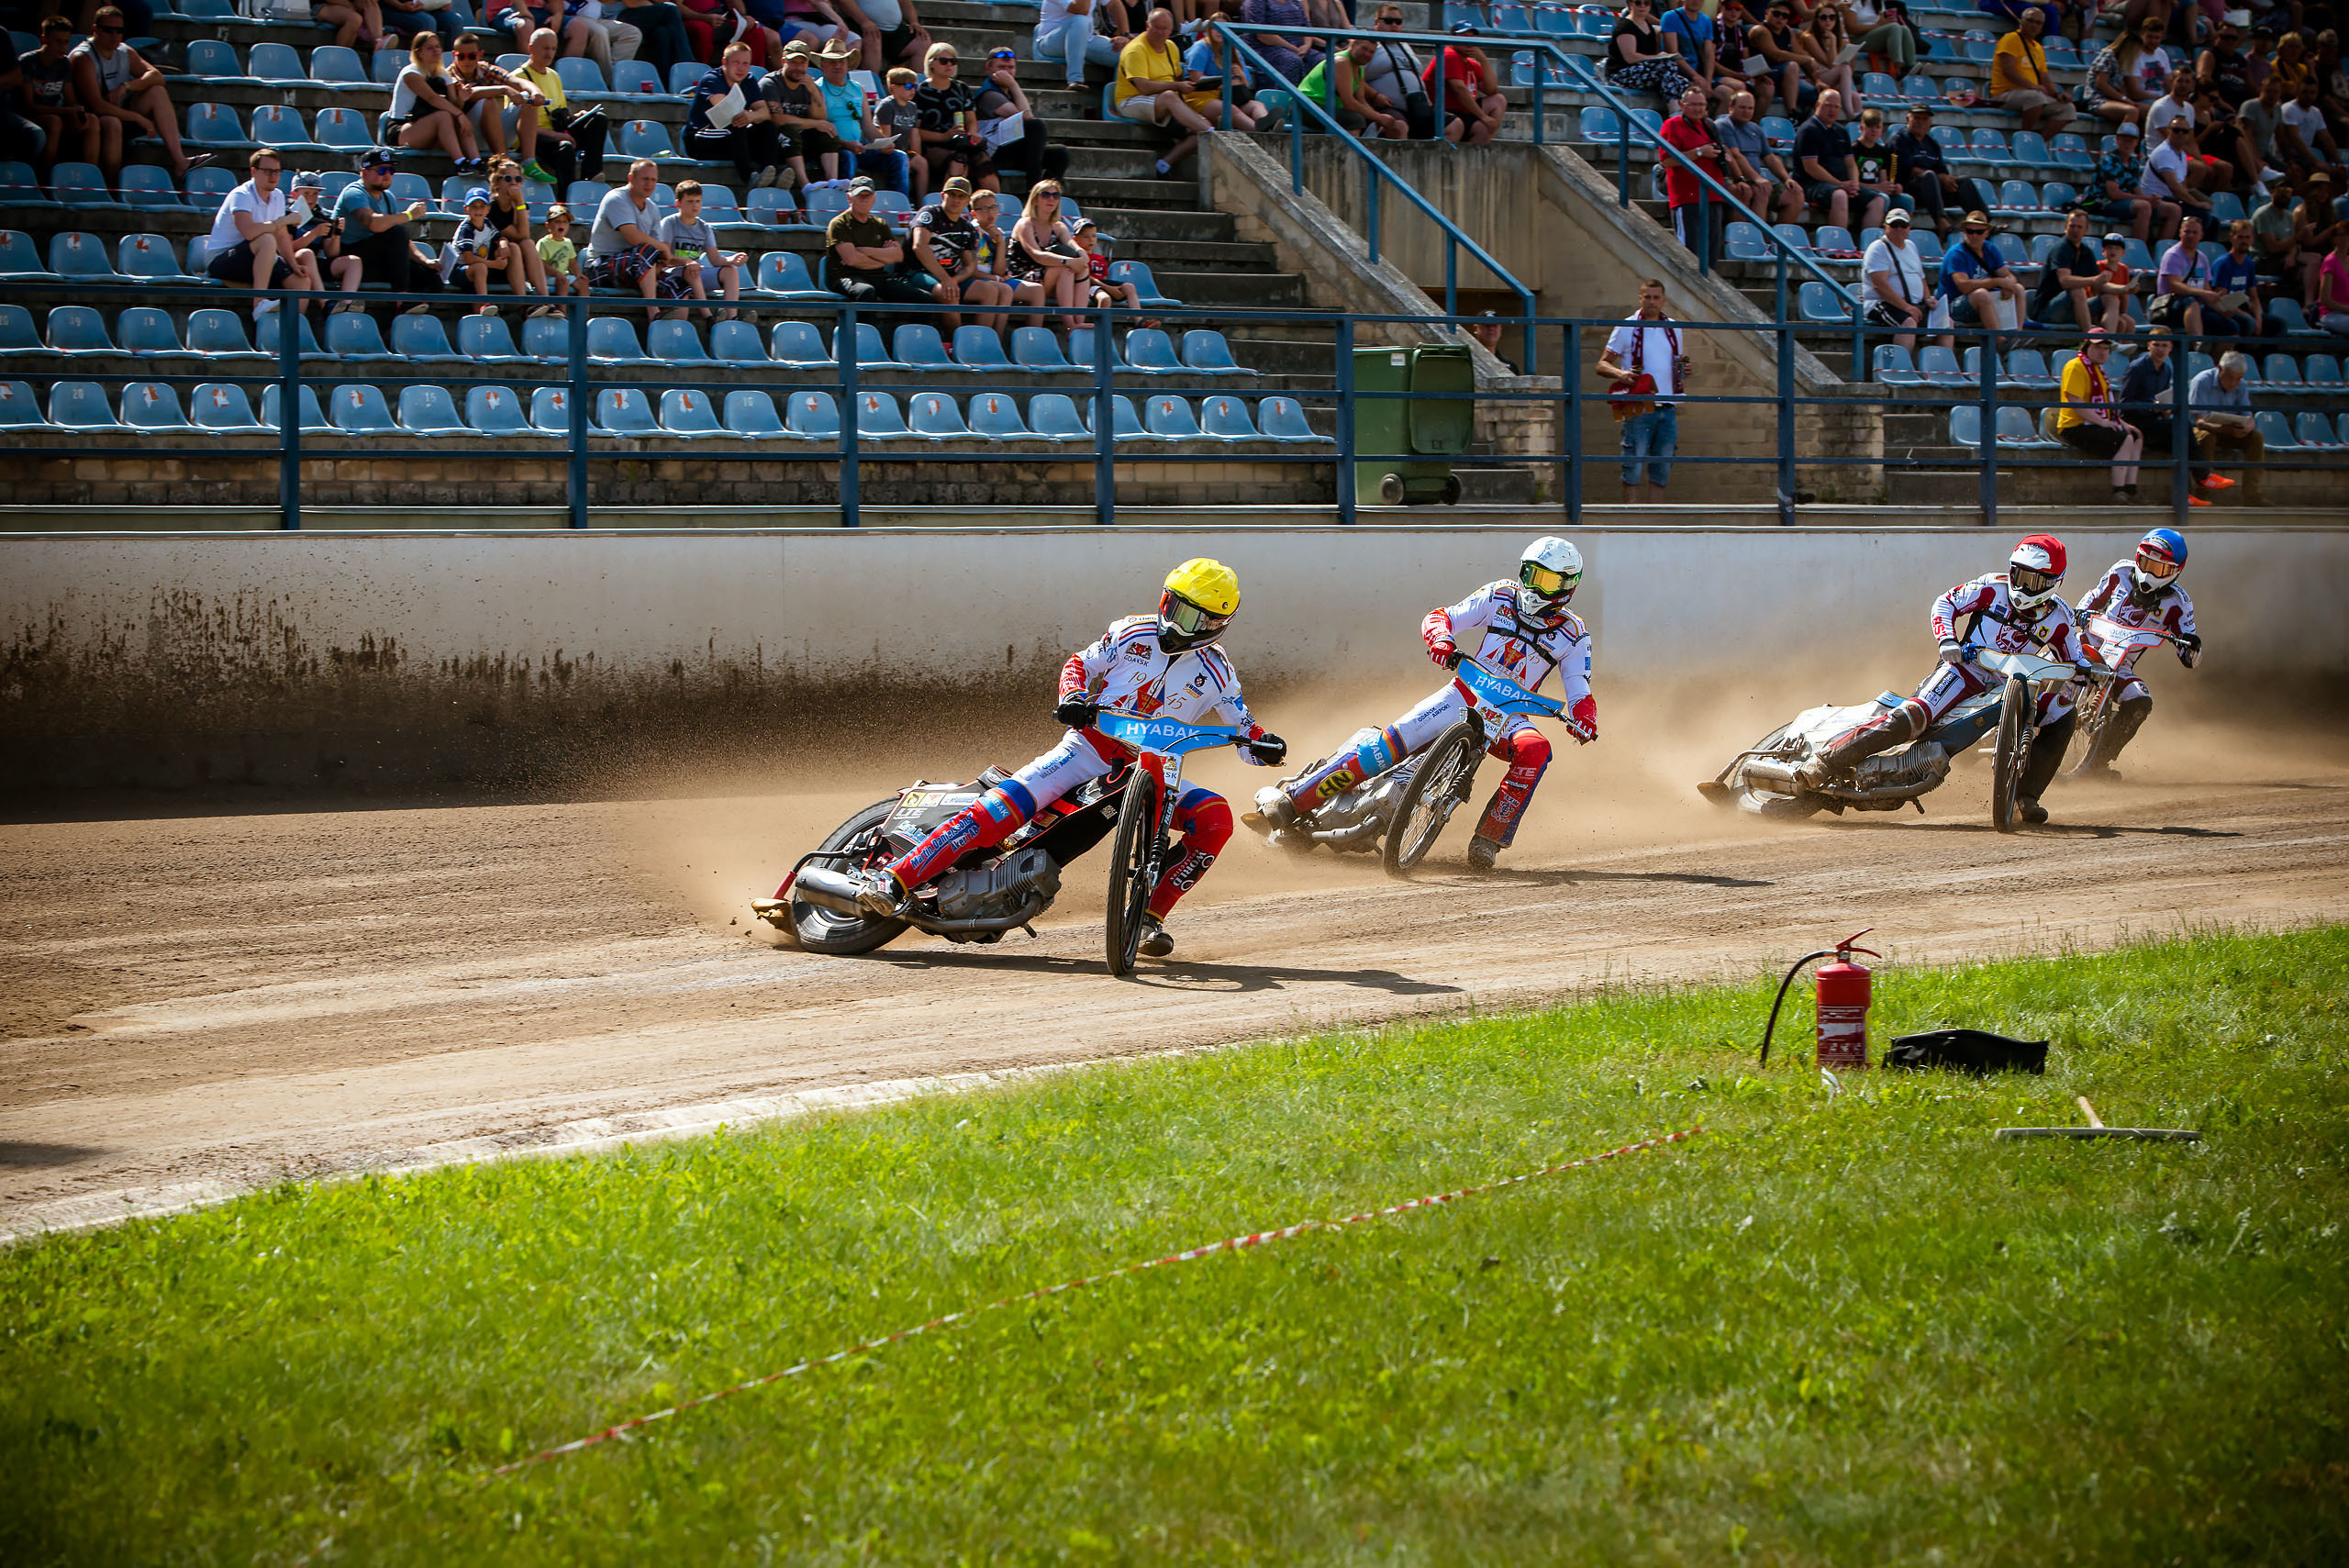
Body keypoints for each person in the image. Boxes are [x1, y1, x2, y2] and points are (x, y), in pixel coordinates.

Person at [844, 560, 1286, 960]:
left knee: (1216, 821)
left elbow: (1244, 727)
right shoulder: (1133, 631)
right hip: (1086, 749)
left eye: (1186, 613)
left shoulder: (1219, 672)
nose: (1169, 616)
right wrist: (1072, 696)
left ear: (1213, 624)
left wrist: (1264, 744)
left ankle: (1150, 917)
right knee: (1000, 810)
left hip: (1155, 769)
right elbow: (1080, 663)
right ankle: (894, 879)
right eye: (1169, 602)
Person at [1253, 539, 1596, 875]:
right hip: (1462, 694)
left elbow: (1579, 687)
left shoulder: (1575, 634)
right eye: (1530, 574)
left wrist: (1584, 718)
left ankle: (1488, 839)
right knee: (1386, 745)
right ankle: (1293, 802)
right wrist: (1441, 640)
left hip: (1510, 716)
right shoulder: (1500, 594)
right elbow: (1444, 616)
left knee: (1536, 750)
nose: (1533, 587)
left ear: (1567, 586)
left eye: (1547, 580)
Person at [1797, 535, 2084, 825]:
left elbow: (2075, 658)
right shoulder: (1991, 588)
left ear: (2054, 583)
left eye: (2033, 581)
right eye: (2018, 575)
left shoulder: (2060, 617)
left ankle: (2027, 796)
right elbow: (1946, 602)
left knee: (2062, 711)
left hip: (2014, 687)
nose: (2022, 586)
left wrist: (2087, 671)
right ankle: (1824, 762)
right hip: (1964, 672)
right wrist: (1948, 639)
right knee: (1913, 716)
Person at [2073, 528, 2201, 775]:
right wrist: (2081, 610)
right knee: (2048, 663)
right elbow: (2094, 597)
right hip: (2083, 648)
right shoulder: (2120, 571)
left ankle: (2099, 761)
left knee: (2140, 702)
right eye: (2145, 563)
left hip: (2119, 667)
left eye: (2159, 568)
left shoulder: (2178, 602)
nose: (2149, 572)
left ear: (2175, 571)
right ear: (2137, 557)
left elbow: (2188, 649)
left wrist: (2191, 646)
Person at [69, 6, 203, 183]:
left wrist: (127, 86)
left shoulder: (124, 51)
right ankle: (112, 184)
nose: (115, 35)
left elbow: (157, 77)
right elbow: (96, 105)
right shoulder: (83, 57)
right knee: (112, 122)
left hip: (121, 110)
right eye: (109, 30)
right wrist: (138, 118)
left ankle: (180, 161)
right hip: (90, 118)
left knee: (157, 91)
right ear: (95, 30)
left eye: (120, 31)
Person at [204, 147, 325, 318]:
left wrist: (293, 264)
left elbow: (282, 235)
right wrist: (282, 221)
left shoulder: (277, 196)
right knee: (267, 240)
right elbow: (249, 232)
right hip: (222, 261)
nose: (273, 176)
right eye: (268, 171)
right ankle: (259, 303)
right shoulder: (241, 194)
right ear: (254, 171)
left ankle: (296, 332)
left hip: (257, 259)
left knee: (302, 281)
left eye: (277, 171)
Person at [1595, 278, 1687, 505]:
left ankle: (1654, 521)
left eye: (1656, 297)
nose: (1652, 302)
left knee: (1662, 469)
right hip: (1638, 405)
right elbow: (1602, 364)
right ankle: (1631, 521)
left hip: (1667, 406)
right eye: (1647, 297)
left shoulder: (1673, 328)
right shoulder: (1627, 326)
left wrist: (1685, 370)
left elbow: (1676, 366)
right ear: (1640, 298)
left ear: (1663, 300)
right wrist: (1620, 374)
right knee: (1632, 467)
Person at [1114, 6, 1216, 177]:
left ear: (1171, 30)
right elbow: (1143, 87)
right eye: (1156, 27)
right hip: (1131, 99)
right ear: (1147, 25)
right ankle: (1214, 135)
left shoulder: (1171, 47)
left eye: (1164, 29)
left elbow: (1176, 78)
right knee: (1171, 97)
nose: (1160, 32)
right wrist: (1176, 87)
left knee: (1197, 127)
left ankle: (1164, 164)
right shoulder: (1135, 49)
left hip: (1166, 100)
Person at [332, 145, 437, 306]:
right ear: (365, 172)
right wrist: (408, 215)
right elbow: (375, 224)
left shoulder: (388, 197)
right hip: (351, 258)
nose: (387, 175)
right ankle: (401, 301)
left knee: (430, 276)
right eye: (381, 171)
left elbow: (403, 241)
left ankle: (410, 320)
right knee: (397, 232)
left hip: (376, 258)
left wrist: (425, 261)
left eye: (391, 171)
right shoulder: (354, 193)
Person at [824, 172, 936, 316]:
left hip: (879, 276)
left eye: (868, 195)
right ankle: (865, 335)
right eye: (860, 196)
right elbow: (852, 259)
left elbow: (898, 256)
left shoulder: (880, 224)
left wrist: (866, 251)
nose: (864, 200)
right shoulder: (839, 224)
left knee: (923, 298)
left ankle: (913, 334)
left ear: (874, 198)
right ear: (849, 197)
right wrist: (882, 258)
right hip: (846, 276)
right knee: (866, 292)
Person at [586, 157, 692, 304]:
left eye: (653, 180)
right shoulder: (616, 199)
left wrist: (684, 261)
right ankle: (653, 311)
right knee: (645, 251)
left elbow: (661, 254)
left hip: (638, 267)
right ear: (631, 178)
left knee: (678, 286)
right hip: (600, 266)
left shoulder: (653, 208)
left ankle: (671, 326)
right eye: (645, 179)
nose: (649, 184)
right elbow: (634, 238)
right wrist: (661, 248)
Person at [2056, 331, 2145, 501]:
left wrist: (2120, 422)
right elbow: (2075, 402)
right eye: (2098, 347)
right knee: (2124, 438)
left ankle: (2131, 488)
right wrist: (2103, 423)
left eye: (2106, 348)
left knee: (2136, 435)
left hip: (2093, 424)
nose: (2103, 352)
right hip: (2074, 427)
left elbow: (2106, 406)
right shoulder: (2076, 366)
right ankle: (2118, 490)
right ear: (2087, 346)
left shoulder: (2097, 370)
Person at [907, 174, 1002, 332]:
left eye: (961, 196)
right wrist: (947, 280)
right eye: (952, 194)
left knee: (990, 291)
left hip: (951, 277)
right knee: (949, 293)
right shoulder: (930, 214)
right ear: (943, 195)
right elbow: (919, 246)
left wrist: (954, 279)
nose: (956, 199)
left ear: (967, 201)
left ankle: (978, 341)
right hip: (918, 273)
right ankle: (957, 344)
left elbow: (970, 265)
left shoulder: (966, 227)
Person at [514, 27, 607, 186]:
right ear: (531, 48)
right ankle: (567, 194)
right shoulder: (518, 77)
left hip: (557, 132)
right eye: (545, 48)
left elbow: (560, 110)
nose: (550, 53)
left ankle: (590, 176)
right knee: (565, 148)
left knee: (598, 119)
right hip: (533, 137)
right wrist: (557, 136)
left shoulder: (553, 75)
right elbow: (516, 125)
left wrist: (576, 117)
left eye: (553, 49)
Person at [815, 37, 910, 192]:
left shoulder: (858, 89)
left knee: (899, 157)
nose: (838, 65)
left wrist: (885, 142)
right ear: (823, 65)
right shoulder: (817, 89)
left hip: (860, 147)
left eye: (841, 61)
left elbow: (867, 126)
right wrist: (846, 144)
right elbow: (820, 130)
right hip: (834, 150)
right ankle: (846, 204)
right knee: (848, 156)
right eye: (832, 61)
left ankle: (900, 206)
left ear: (847, 64)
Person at [686, 39, 785, 187]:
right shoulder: (711, 80)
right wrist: (750, 115)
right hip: (703, 138)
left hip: (729, 138)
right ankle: (750, 178)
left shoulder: (749, 80)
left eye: (745, 64)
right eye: (736, 63)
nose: (741, 68)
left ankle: (771, 175)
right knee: (737, 123)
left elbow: (764, 113)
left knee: (767, 126)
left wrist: (751, 116)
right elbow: (728, 109)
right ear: (724, 62)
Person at [449, 33, 546, 172]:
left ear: (480, 54)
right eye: (461, 56)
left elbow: (517, 81)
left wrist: (536, 92)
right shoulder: (448, 75)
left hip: (490, 132)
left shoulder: (485, 69)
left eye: (471, 56)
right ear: (454, 55)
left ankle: (529, 162)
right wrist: (503, 89)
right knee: (487, 101)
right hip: (467, 137)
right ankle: (503, 161)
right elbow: (471, 94)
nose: (466, 61)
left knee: (526, 98)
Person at [389, 34, 486, 173]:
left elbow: (454, 106)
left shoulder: (444, 75)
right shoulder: (410, 73)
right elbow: (432, 98)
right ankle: (460, 162)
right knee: (446, 116)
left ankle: (477, 161)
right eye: (430, 48)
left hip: (432, 128)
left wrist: (462, 99)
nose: (436, 51)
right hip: (403, 129)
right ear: (419, 53)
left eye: (437, 47)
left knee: (456, 118)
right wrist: (459, 114)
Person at [1889, 101, 1987, 237]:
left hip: (1932, 192)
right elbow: (1908, 170)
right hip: (1908, 189)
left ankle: (1984, 223)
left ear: (1930, 122)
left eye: (1925, 119)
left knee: (1964, 182)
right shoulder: (1900, 139)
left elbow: (1941, 170)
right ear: (1908, 119)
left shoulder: (1931, 143)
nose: (1921, 122)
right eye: (1917, 118)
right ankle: (1941, 223)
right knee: (1929, 176)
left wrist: (1946, 179)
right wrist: (1938, 176)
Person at [657, 179, 746, 317]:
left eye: (698, 201)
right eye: (690, 201)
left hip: (694, 273)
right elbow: (665, 258)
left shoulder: (704, 227)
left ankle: (731, 316)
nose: (695, 206)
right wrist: (687, 261)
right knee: (692, 269)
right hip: (672, 273)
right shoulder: (669, 223)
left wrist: (731, 260)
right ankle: (708, 317)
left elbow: (715, 259)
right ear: (678, 204)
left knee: (731, 272)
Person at [1715, 90, 1806, 224]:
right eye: (1742, 107)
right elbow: (1736, 155)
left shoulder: (1755, 129)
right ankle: (1758, 239)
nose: (1746, 111)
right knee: (1760, 190)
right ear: (1731, 107)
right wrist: (1757, 179)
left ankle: (1779, 240)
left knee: (1795, 194)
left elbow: (1770, 158)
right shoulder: (1723, 125)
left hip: (1755, 180)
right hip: (1736, 179)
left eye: (1750, 108)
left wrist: (1786, 179)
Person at [1006, 177, 1085, 328]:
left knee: (1081, 268)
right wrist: (1067, 261)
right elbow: (1037, 255)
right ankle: (1070, 325)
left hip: (1048, 277)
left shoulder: (1059, 226)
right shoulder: (1025, 224)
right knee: (1065, 267)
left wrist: (1082, 254)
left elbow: (1072, 244)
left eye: (1056, 195)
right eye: (1045, 194)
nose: (1051, 198)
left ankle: (1078, 322)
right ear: (1035, 199)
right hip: (1023, 277)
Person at [19, 17, 94, 174]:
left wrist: (77, 113)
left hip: (56, 113)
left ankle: (88, 175)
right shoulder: (27, 62)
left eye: (66, 42)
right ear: (44, 39)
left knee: (91, 121)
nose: (63, 47)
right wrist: (67, 112)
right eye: (58, 41)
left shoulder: (64, 64)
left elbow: (70, 99)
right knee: (54, 122)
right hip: (30, 117)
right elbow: (28, 106)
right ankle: (44, 175)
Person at [914, 43, 993, 190]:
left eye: (953, 61)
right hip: (934, 144)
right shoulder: (921, 92)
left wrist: (973, 133)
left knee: (983, 160)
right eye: (944, 61)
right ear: (931, 63)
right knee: (957, 161)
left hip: (961, 142)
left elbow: (971, 119)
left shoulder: (961, 88)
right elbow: (915, 131)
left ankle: (994, 206)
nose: (949, 64)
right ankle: (953, 203)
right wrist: (944, 136)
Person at [2032, 209, 2129, 330]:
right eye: (2072, 226)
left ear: (2086, 230)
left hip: (2074, 310)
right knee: (2077, 290)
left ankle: (2106, 341)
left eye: (2079, 227)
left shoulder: (2086, 252)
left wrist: (2124, 288)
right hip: (2048, 310)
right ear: (2065, 228)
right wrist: (2094, 280)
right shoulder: (2060, 249)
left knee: (2111, 298)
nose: (2075, 230)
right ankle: (2090, 340)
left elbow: (2100, 285)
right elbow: (2065, 281)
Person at [2188, 350, 2266, 495]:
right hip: (2200, 430)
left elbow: (2248, 418)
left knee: (2256, 437)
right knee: (2206, 437)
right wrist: (2225, 429)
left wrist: (2246, 428)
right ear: (2219, 369)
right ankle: (2203, 491)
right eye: (2230, 377)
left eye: (2238, 379)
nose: (2234, 383)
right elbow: (2200, 421)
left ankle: (2253, 494)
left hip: (2229, 431)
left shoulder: (2241, 385)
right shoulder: (2202, 381)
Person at [1661, 85, 1728, 250]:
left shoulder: (1709, 126)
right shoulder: (1672, 125)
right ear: (1682, 105)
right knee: (1690, 251)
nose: (1698, 109)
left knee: (1711, 251)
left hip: (1712, 195)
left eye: (1701, 105)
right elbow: (1667, 161)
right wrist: (1699, 152)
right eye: (1693, 105)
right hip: (1687, 197)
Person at [1940, 208, 2027, 329]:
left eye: (1979, 232)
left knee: (2018, 289)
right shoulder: (1956, 253)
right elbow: (1964, 286)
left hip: (1982, 302)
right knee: (1982, 295)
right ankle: (2000, 342)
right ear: (1964, 232)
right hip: (1954, 305)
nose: (1974, 236)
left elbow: (2009, 276)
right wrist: (1997, 282)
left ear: (1987, 233)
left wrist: (2008, 285)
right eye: (1970, 231)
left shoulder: (1990, 249)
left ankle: (2016, 335)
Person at [1989, 6, 2071, 135]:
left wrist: (2057, 95)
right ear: (2021, 21)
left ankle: (2037, 143)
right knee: (2035, 97)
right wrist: (2033, 87)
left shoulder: (2038, 47)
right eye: (2030, 20)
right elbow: (2008, 70)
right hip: (2005, 94)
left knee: (2067, 108)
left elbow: (2044, 76)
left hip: (2030, 96)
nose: (2034, 25)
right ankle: (2025, 136)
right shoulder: (2010, 39)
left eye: (2038, 23)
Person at [1361, 6, 1438, 139]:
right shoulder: (1369, 46)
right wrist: (1375, 96)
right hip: (1388, 108)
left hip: (1418, 107)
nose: (1394, 25)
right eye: (1389, 21)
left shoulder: (1405, 45)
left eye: (1398, 22)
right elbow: (1354, 77)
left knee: (1455, 125)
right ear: (1376, 23)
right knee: (1398, 126)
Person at [1422, 27, 1504, 145]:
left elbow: (1491, 90)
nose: (1468, 42)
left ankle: (1471, 161)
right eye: (1464, 37)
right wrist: (1484, 117)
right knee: (1463, 124)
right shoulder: (1449, 55)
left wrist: (1484, 61)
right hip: (1442, 113)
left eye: (1471, 38)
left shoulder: (1471, 63)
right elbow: (1459, 89)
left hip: (1464, 112)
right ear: (1453, 38)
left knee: (1498, 101)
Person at [2094, 121, 2173, 241]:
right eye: (2124, 140)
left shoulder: (2133, 162)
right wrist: (2146, 200)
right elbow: (2114, 194)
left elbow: (2136, 188)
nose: (2127, 144)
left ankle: (2162, 250)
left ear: (2136, 142)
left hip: (2124, 202)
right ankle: (2139, 247)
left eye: (2131, 140)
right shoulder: (2109, 160)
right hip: (2103, 202)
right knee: (2144, 206)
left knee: (2173, 210)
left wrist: (2152, 199)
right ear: (2117, 140)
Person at [1863, 207, 1930, 348]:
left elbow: (1921, 278)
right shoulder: (1878, 248)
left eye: (1903, 225)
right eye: (1894, 225)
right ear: (1885, 226)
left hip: (1913, 304)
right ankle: (1901, 367)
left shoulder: (1911, 246)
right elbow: (1879, 285)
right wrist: (1907, 307)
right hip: (1881, 303)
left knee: (1946, 323)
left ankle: (1940, 365)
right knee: (1908, 322)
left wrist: (1928, 299)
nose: (1899, 229)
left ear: (1909, 228)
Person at [1609, 0, 1698, 102]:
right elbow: (1630, 58)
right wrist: (1657, 57)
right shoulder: (1625, 27)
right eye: (1638, 3)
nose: (1642, 6)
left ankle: (1689, 110)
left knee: (1685, 84)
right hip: (1622, 74)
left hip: (1643, 71)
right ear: (1630, 4)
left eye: (1646, 3)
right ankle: (1674, 107)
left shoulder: (1649, 27)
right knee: (1667, 65)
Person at [1659, 0, 1735, 115]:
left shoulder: (1706, 21)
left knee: (1728, 94)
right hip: (1679, 73)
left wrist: (1708, 81)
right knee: (1696, 97)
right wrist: (1696, 77)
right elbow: (1673, 52)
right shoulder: (1670, 17)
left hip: (1698, 72)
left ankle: (1714, 129)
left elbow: (1709, 54)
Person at [2152, 212, 2221, 332]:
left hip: (2198, 306)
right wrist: (2202, 293)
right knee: (2191, 301)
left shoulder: (2202, 258)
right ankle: (2197, 344)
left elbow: (2207, 289)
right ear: (2180, 233)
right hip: (2171, 306)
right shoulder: (2173, 255)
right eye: (2187, 232)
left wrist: (2221, 307)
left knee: (2231, 325)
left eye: (2195, 233)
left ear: (2201, 235)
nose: (2190, 236)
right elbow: (2175, 286)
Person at [2143, 118, 2210, 233]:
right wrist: (2197, 203)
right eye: (2176, 130)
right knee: (2201, 217)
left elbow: (2182, 185)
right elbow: (2174, 187)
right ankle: (2167, 246)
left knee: (2212, 221)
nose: (2180, 134)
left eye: (2185, 131)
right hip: (2156, 200)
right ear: (2169, 131)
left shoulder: (2182, 155)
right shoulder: (2164, 152)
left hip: (2170, 199)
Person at [1747, 0, 1810, 118]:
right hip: (1757, 75)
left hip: (1781, 77)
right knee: (1790, 68)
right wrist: (1807, 60)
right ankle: (1792, 114)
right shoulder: (1760, 30)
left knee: (1817, 91)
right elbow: (1777, 55)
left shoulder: (1787, 31)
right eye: (1776, 14)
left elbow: (1801, 54)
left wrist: (1817, 80)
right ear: (1767, 13)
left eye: (1785, 16)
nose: (1780, 18)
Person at [1036, 0, 1119, 89]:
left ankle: (1120, 96)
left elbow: (1115, 4)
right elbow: (1081, 10)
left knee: (1125, 54)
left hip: (1085, 39)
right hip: (1051, 43)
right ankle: (1075, 79)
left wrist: (1124, 34)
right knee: (1080, 20)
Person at [1240, 0, 1323, 85]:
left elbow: (1306, 27)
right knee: (1292, 61)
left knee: (1324, 61)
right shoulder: (1255, 2)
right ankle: (1286, 97)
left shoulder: (1295, 2)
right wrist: (1291, 48)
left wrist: (1306, 46)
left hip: (1300, 48)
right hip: (1265, 48)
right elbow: (1262, 34)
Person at [851, 0, 928, 74]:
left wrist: (914, 21)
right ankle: (870, 85)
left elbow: (904, 2)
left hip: (895, 29)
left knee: (922, 41)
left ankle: (917, 85)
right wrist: (864, 21)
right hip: (863, 25)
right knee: (872, 39)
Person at [538, 202, 585, 297]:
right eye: (557, 221)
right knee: (563, 282)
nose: (561, 224)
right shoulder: (543, 243)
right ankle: (561, 311)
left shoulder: (568, 242)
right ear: (548, 226)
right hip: (547, 277)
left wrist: (578, 274)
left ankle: (583, 311)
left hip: (563, 276)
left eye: (565, 221)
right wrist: (557, 274)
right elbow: (540, 265)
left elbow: (572, 262)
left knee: (583, 284)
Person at [2321, 224, 2349, 331]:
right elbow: (2325, 300)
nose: (2346, 238)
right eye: (2342, 235)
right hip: (2331, 315)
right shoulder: (2330, 261)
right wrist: (2347, 309)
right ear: (2334, 239)